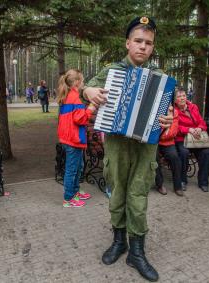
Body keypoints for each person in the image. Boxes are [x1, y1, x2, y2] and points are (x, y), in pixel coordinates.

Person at [82, 16, 174, 282]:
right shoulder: (111, 71)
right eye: (138, 41)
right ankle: (119, 241)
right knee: (118, 192)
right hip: (117, 146)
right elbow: (83, 91)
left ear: (153, 47)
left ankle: (137, 252)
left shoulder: (160, 78)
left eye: (148, 43)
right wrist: (89, 91)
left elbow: (166, 113)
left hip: (146, 148)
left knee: (138, 195)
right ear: (127, 43)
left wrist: (168, 119)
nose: (143, 47)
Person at [57, 69, 96, 208]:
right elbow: (80, 119)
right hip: (73, 140)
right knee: (72, 169)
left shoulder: (68, 95)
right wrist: (91, 108)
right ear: (78, 82)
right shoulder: (75, 97)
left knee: (78, 167)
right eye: (83, 81)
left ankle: (75, 191)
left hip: (70, 139)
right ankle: (68, 199)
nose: (83, 83)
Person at [174, 88, 209, 192]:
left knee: (206, 152)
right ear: (175, 99)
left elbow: (201, 121)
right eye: (179, 96)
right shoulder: (174, 110)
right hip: (181, 138)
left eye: (184, 96)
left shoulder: (193, 107)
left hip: (196, 138)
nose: (182, 98)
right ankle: (182, 180)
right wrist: (189, 130)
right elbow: (175, 127)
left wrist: (199, 128)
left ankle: (203, 182)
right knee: (183, 153)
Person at [155, 105, 183, 196]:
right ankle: (159, 185)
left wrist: (162, 135)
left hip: (168, 142)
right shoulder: (155, 109)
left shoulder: (174, 112)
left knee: (174, 157)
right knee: (154, 158)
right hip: (154, 142)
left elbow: (173, 133)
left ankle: (178, 186)